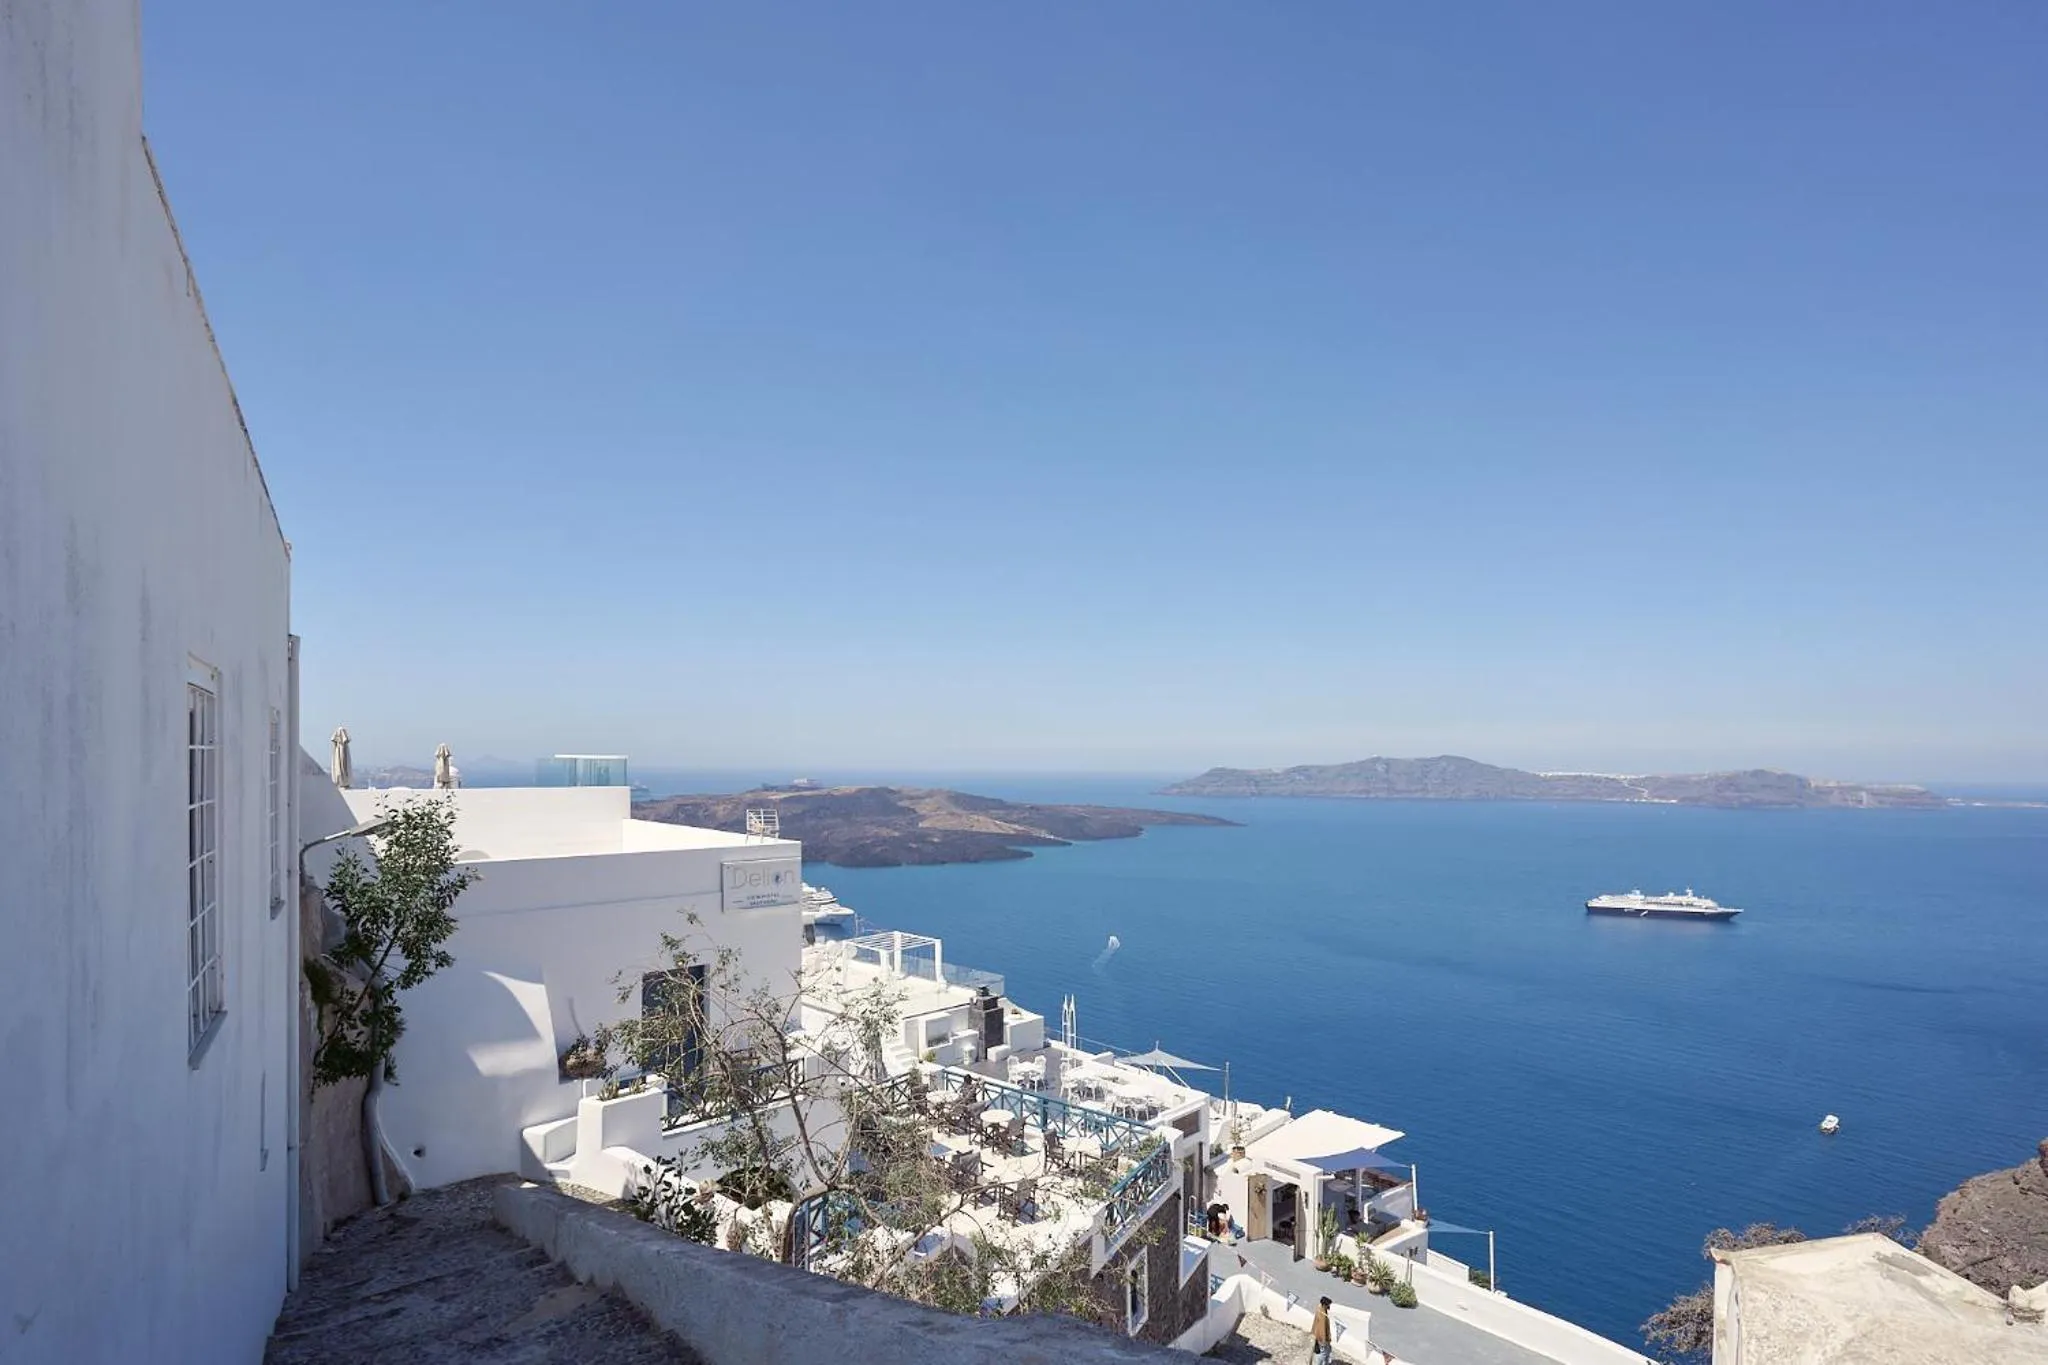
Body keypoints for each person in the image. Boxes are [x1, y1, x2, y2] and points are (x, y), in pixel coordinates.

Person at [1310, 1295, 1333, 1365]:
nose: (1329, 1306)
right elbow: (1321, 1328)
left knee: (1328, 1351)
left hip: (1320, 1337)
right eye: (1328, 1305)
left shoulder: (1320, 1309)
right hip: (1322, 1338)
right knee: (1322, 1354)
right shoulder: (1322, 1314)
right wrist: (1324, 1341)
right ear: (1324, 1305)